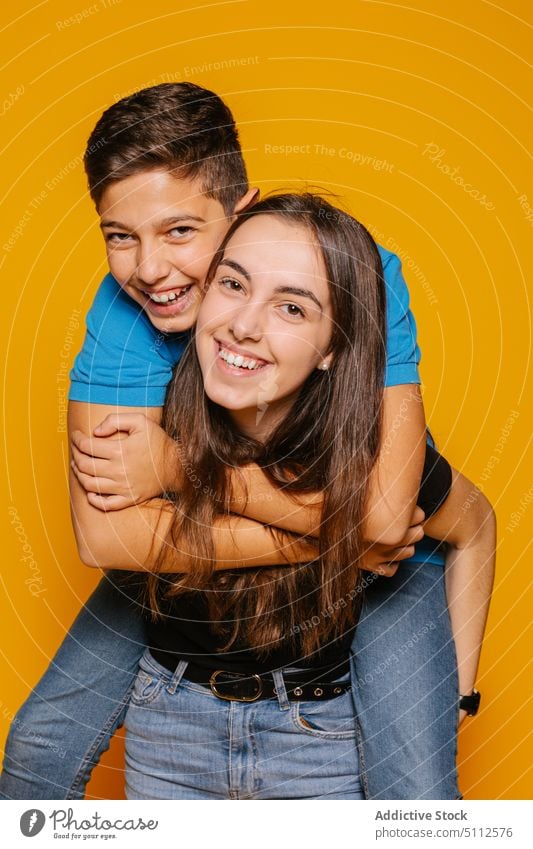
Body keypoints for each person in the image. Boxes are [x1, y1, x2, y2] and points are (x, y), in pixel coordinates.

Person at [0, 83, 494, 800]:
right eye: (118, 235)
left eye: (178, 232)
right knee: (39, 743)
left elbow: (390, 522)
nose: (148, 268)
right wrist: (333, 540)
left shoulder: (353, 272)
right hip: (263, 554)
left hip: (360, 528)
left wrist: (175, 466)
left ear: (242, 215)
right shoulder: (123, 314)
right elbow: (108, 539)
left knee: (414, 789)